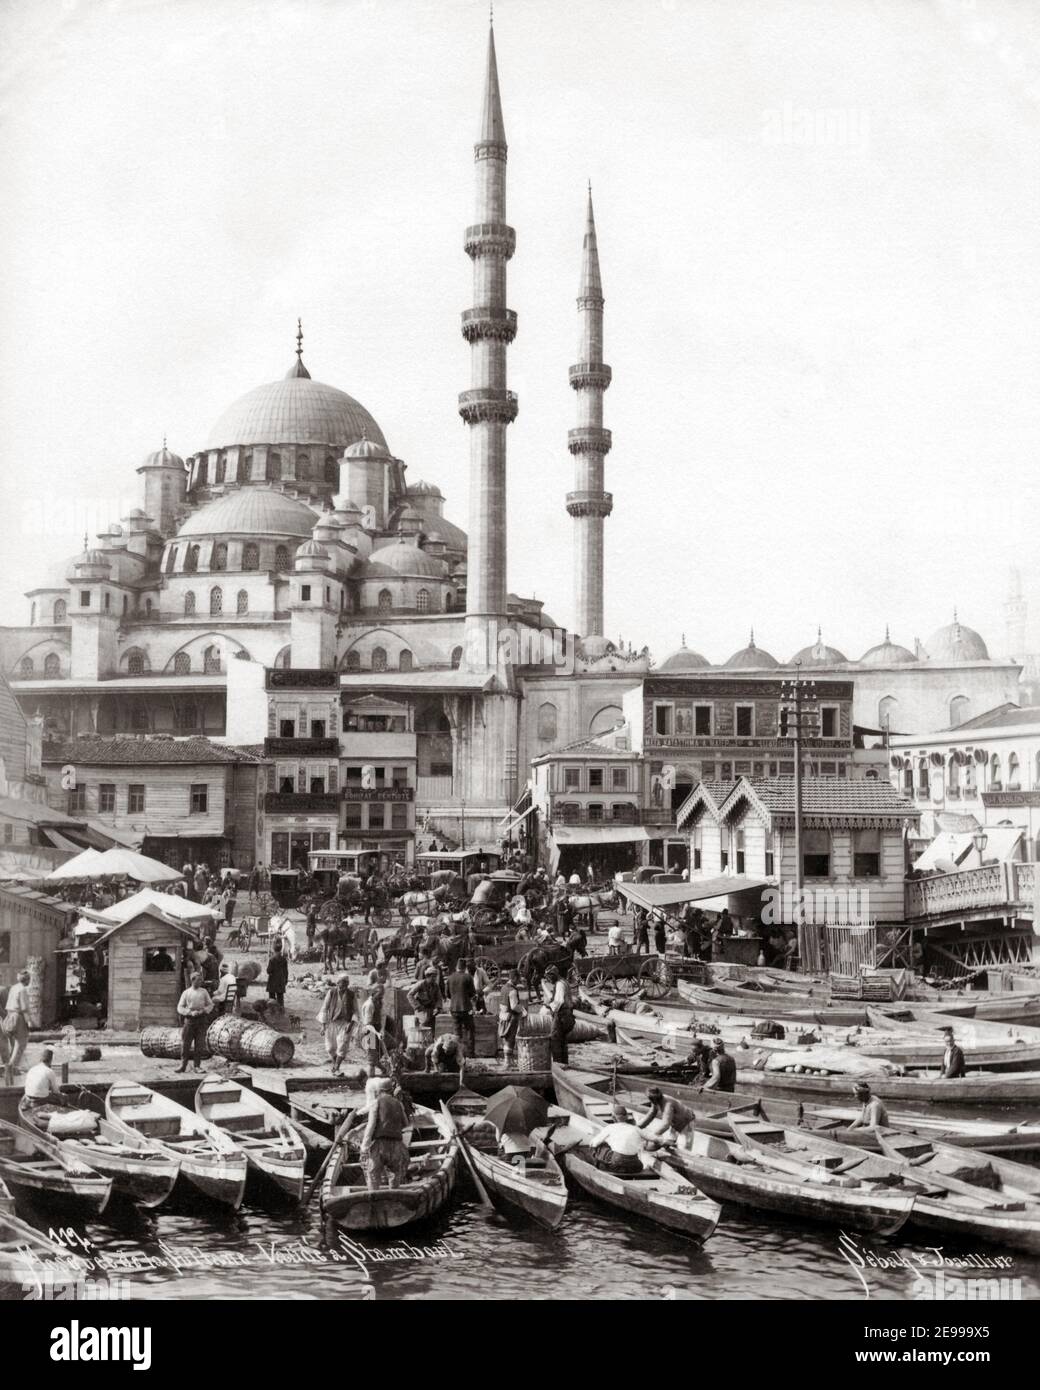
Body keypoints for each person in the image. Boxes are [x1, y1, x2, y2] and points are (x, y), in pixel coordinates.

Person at [360, 1078, 409, 1192]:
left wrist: (364, 1146)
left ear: (379, 1091)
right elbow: (406, 1124)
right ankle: (393, 1198)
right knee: (395, 1174)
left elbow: (371, 1126)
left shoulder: (376, 1102)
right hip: (397, 1145)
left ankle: (373, 1198)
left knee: (373, 1174)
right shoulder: (399, 1103)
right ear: (391, 1090)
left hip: (380, 1145)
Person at [589, 1106, 649, 1176]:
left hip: (617, 1165)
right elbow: (653, 1138)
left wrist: (599, 1143)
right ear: (626, 1117)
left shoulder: (610, 1127)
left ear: (613, 1117)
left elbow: (594, 1144)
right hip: (635, 1167)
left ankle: (598, 1165)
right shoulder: (635, 1128)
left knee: (599, 1147)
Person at [176, 972, 214, 1072]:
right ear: (192, 980)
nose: (200, 982)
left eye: (201, 980)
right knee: (185, 1044)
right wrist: (190, 1012)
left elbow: (210, 1004)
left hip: (202, 1020)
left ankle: (197, 1066)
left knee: (199, 1044)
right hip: (190, 1021)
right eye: (198, 980)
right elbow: (180, 1007)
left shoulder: (204, 992)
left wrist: (204, 1010)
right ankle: (183, 1065)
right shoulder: (186, 992)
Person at [318, 975, 355, 1075]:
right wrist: (323, 1025)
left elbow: (356, 1012)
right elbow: (324, 1008)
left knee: (342, 1045)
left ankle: (336, 1067)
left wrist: (351, 1024)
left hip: (345, 1023)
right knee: (330, 1048)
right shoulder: (332, 992)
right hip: (332, 1022)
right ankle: (335, 1066)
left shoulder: (351, 995)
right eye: (341, 985)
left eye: (345, 985)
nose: (343, 987)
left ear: (347, 985)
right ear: (337, 983)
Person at [542, 965, 575, 1064]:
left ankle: (558, 1065)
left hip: (562, 1016)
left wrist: (549, 1004)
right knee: (562, 1042)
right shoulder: (563, 982)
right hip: (567, 1015)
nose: (548, 980)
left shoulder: (560, 985)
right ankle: (564, 1064)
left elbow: (559, 1002)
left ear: (553, 975)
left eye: (549, 977)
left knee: (555, 1040)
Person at [4, 970, 33, 1071]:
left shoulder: (14, 988)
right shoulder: (23, 990)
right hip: (19, 1016)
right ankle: (13, 1067)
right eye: (29, 979)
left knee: (14, 1042)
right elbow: (24, 1008)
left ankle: (11, 1065)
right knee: (21, 1043)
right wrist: (29, 1022)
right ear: (27, 980)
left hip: (10, 1015)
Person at [445, 961, 476, 1054]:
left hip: (454, 1008)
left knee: (456, 1032)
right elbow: (472, 993)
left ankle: (457, 1053)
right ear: (464, 968)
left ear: (456, 967)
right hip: (466, 1008)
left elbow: (447, 994)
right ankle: (470, 1053)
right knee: (470, 1030)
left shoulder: (450, 978)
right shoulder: (468, 977)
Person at [497, 969, 525, 1068]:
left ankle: (508, 1060)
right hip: (511, 1018)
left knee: (506, 1039)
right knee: (510, 1039)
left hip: (503, 1016)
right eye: (518, 978)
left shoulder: (503, 988)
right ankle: (507, 1062)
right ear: (514, 978)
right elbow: (514, 1006)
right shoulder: (512, 990)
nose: (519, 980)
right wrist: (522, 1010)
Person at [407, 968, 441, 1039]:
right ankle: (421, 1043)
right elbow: (410, 995)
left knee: (431, 1029)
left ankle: (430, 1043)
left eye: (435, 976)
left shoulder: (435, 986)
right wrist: (417, 1006)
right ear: (428, 976)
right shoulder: (421, 984)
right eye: (433, 976)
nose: (434, 978)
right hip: (421, 1009)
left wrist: (438, 1008)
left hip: (431, 1009)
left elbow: (439, 998)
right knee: (423, 1026)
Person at [359, 986, 384, 1075]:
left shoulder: (378, 1002)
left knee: (377, 1054)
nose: (381, 997)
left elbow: (381, 1017)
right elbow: (368, 1024)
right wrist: (377, 1033)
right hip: (368, 1033)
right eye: (379, 995)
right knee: (371, 1061)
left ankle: (384, 1069)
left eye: (382, 995)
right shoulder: (369, 1005)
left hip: (375, 1032)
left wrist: (381, 1030)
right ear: (373, 994)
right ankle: (370, 1081)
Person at [266, 937, 289, 1010]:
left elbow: (269, 970)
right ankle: (281, 1010)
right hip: (281, 980)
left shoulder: (272, 959)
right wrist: (285, 979)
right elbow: (286, 971)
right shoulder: (284, 959)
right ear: (281, 948)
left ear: (273, 948)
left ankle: (272, 1010)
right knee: (280, 998)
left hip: (272, 981)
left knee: (271, 998)